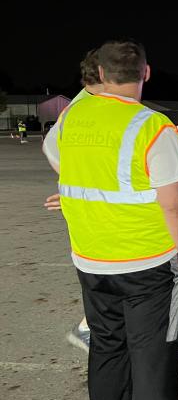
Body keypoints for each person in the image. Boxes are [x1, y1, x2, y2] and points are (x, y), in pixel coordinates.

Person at [41, 40, 178, 400]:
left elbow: (56, 156)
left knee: (106, 350)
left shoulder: (73, 117)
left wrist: (75, 195)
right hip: (145, 262)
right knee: (153, 358)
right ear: (146, 73)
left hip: (91, 260)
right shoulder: (151, 126)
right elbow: (174, 203)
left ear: (98, 75)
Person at [59, 48, 105, 352]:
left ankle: (94, 326)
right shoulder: (83, 107)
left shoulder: (90, 104)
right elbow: (53, 148)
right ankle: (89, 327)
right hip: (96, 206)